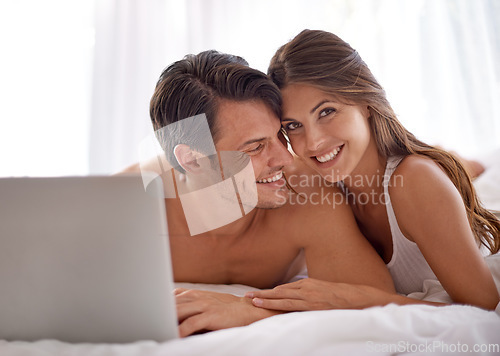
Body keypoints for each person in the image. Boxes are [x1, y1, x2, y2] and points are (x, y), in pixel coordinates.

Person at [120, 50, 395, 337]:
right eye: (255, 147)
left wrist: (253, 309)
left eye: (279, 135)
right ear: (192, 160)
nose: (286, 159)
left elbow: (380, 303)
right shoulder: (129, 203)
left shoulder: (305, 195)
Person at [246, 29, 500, 312]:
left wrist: (363, 299)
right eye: (293, 125)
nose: (313, 142)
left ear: (365, 102)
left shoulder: (416, 181)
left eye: (327, 111)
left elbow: (484, 308)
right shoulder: (314, 177)